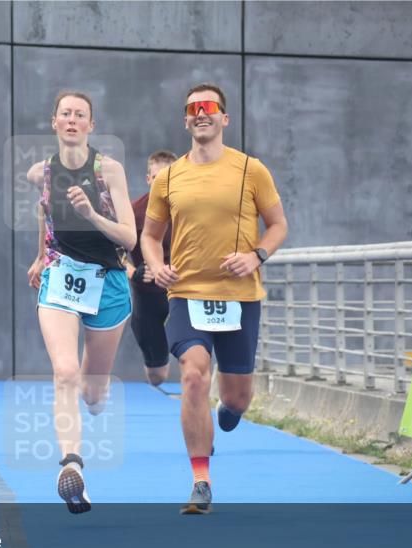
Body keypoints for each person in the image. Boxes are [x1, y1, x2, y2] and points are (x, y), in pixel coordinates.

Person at [141, 83, 289, 515]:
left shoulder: (250, 170)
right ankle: (201, 480)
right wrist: (157, 263)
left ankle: (229, 412)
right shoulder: (168, 177)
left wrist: (256, 255)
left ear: (224, 118)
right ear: (185, 120)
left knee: (237, 398)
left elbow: (278, 225)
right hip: (187, 294)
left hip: (240, 297)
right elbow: (150, 236)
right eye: (192, 109)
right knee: (193, 375)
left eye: (209, 108)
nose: (200, 114)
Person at [26, 91, 137, 514]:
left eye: (81, 115)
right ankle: (71, 464)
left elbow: (129, 237)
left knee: (92, 389)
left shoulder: (109, 169)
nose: (72, 120)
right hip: (61, 276)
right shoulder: (41, 172)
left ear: (91, 125)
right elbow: (45, 213)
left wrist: (91, 214)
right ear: (54, 122)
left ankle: (98, 393)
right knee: (65, 371)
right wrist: (41, 255)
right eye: (66, 114)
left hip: (108, 280)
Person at [127, 150, 176, 387]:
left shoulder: (190, 211)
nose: (163, 183)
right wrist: (133, 271)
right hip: (147, 297)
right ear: (149, 179)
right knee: (158, 376)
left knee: (193, 361)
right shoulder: (133, 212)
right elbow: (112, 253)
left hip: (182, 294)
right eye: (157, 177)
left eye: (168, 177)